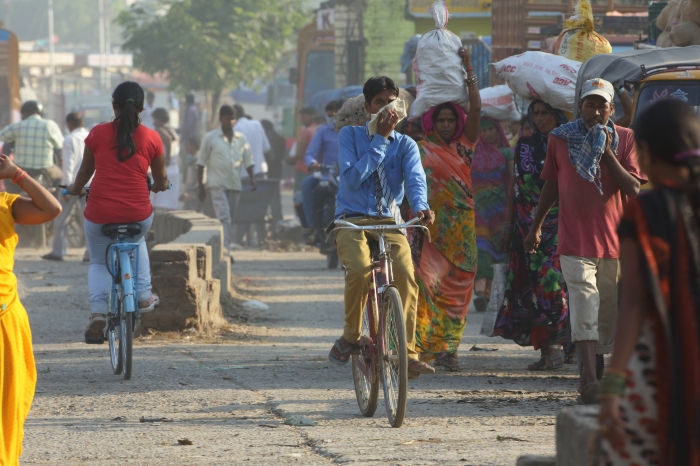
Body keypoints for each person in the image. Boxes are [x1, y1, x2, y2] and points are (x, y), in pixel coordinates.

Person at [524, 78, 645, 404]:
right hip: (574, 241)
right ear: (579, 107)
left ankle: (601, 381)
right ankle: (587, 381)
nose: (595, 111)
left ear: (611, 108)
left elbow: (634, 190)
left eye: (601, 105)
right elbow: (551, 184)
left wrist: (606, 154)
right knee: (584, 306)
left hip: (615, 245)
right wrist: (536, 226)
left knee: (606, 317)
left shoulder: (625, 138)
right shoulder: (559, 139)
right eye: (589, 104)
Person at [599, 99, 700, 466]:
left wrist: (613, 386)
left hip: (661, 362)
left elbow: (635, 302)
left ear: (644, 152)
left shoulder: (645, 212)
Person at [327, 76, 436, 379]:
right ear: (367, 107)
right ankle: (350, 336)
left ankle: (409, 353)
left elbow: (415, 181)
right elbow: (351, 179)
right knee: (361, 271)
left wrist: (421, 207)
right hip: (352, 220)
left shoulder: (407, 145)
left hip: (390, 222)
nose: (387, 108)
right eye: (379, 103)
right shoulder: (349, 136)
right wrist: (379, 140)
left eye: (392, 102)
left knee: (406, 277)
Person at [66, 81, 170, 343]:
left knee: (100, 261)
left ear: (114, 106)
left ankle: (98, 314)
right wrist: (160, 186)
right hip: (138, 212)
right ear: (142, 108)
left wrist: (75, 189)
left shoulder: (98, 133)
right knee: (138, 240)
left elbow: (84, 173)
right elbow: (161, 178)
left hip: (100, 212)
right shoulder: (152, 138)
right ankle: (144, 293)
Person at [410, 48, 481, 371]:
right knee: (429, 288)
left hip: (462, 228)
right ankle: (428, 347)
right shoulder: (420, 149)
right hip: (431, 229)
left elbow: (476, 106)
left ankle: (450, 350)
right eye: (441, 119)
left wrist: (468, 68)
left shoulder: (465, 147)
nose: (448, 123)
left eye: (452, 119)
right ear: (432, 121)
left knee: (459, 291)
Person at [494, 100, 570, 370]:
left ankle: (559, 347)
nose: (539, 118)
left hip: (561, 227)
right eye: (535, 113)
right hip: (526, 229)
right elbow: (516, 188)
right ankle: (545, 351)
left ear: (559, 114)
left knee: (553, 284)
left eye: (545, 112)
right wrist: (509, 226)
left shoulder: (569, 142)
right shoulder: (524, 145)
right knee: (532, 289)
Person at [0, 154, 61, 464]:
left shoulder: (7, 205)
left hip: (5, 315)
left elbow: (52, 209)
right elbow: (52, 209)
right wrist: (17, 173)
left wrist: (17, 175)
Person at [197, 105, 256, 253]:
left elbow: (248, 160)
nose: (230, 121)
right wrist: (200, 186)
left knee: (230, 217)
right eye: (227, 118)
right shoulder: (210, 138)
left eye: (232, 118)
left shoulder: (241, 139)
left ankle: (220, 246)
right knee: (224, 216)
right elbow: (201, 163)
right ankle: (226, 250)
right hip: (216, 183)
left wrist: (252, 179)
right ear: (221, 119)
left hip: (235, 184)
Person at [472, 117, 514, 311]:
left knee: (499, 250)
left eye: (491, 129)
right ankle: (480, 293)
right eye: (484, 129)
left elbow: (512, 181)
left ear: (498, 131)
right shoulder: (472, 152)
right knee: (482, 250)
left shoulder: (506, 153)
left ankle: (491, 294)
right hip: (478, 208)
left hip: (500, 208)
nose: (487, 133)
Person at [42, 112, 90, 261]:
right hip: (90, 184)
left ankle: (58, 251)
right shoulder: (90, 136)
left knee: (61, 218)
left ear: (69, 124)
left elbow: (68, 166)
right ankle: (91, 254)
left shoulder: (69, 139)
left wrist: (65, 189)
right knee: (89, 220)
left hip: (73, 184)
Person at [301, 100, 343, 239]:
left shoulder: (357, 130)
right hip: (328, 174)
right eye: (333, 112)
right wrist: (312, 163)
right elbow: (311, 152)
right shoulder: (323, 130)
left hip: (352, 175)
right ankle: (314, 226)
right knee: (311, 187)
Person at [0, 101, 63, 184]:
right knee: (59, 176)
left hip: (21, 170)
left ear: (24, 113)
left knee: (8, 181)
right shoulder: (50, 125)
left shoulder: (17, 126)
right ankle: (55, 196)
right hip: (45, 170)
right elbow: (59, 145)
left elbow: (2, 136)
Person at [288, 107, 318, 227]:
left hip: (302, 169)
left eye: (304, 116)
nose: (302, 119)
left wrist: (289, 160)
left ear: (312, 116)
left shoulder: (306, 131)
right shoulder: (319, 129)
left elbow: (299, 153)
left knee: (299, 199)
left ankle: (302, 224)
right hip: (314, 170)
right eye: (301, 117)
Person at [149, 108, 180, 211]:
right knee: (170, 202)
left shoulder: (160, 131)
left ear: (158, 119)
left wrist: (167, 159)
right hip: (174, 170)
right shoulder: (172, 131)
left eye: (154, 119)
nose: (153, 122)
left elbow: (167, 140)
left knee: (160, 203)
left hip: (165, 170)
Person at [261, 119, 286, 227]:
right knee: (276, 201)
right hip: (276, 173)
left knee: (265, 201)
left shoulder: (268, 138)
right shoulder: (280, 138)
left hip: (269, 173)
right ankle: (278, 225)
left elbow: (271, 157)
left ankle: (272, 224)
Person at [180, 136, 201, 212]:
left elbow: (199, 179)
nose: (186, 147)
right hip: (190, 195)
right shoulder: (192, 159)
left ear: (193, 146)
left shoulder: (198, 160)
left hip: (194, 195)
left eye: (188, 145)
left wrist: (187, 193)